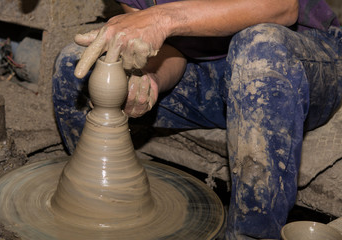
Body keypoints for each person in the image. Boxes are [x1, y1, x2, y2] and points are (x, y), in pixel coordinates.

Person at [52, 0, 341, 239]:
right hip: (204, 69)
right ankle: (102, 207)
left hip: (296, 59)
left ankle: (251, 234)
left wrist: (161, 18)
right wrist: (150, 77)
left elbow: (281, 7)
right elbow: (170, 50)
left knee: (258, 49)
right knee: (75, 66)